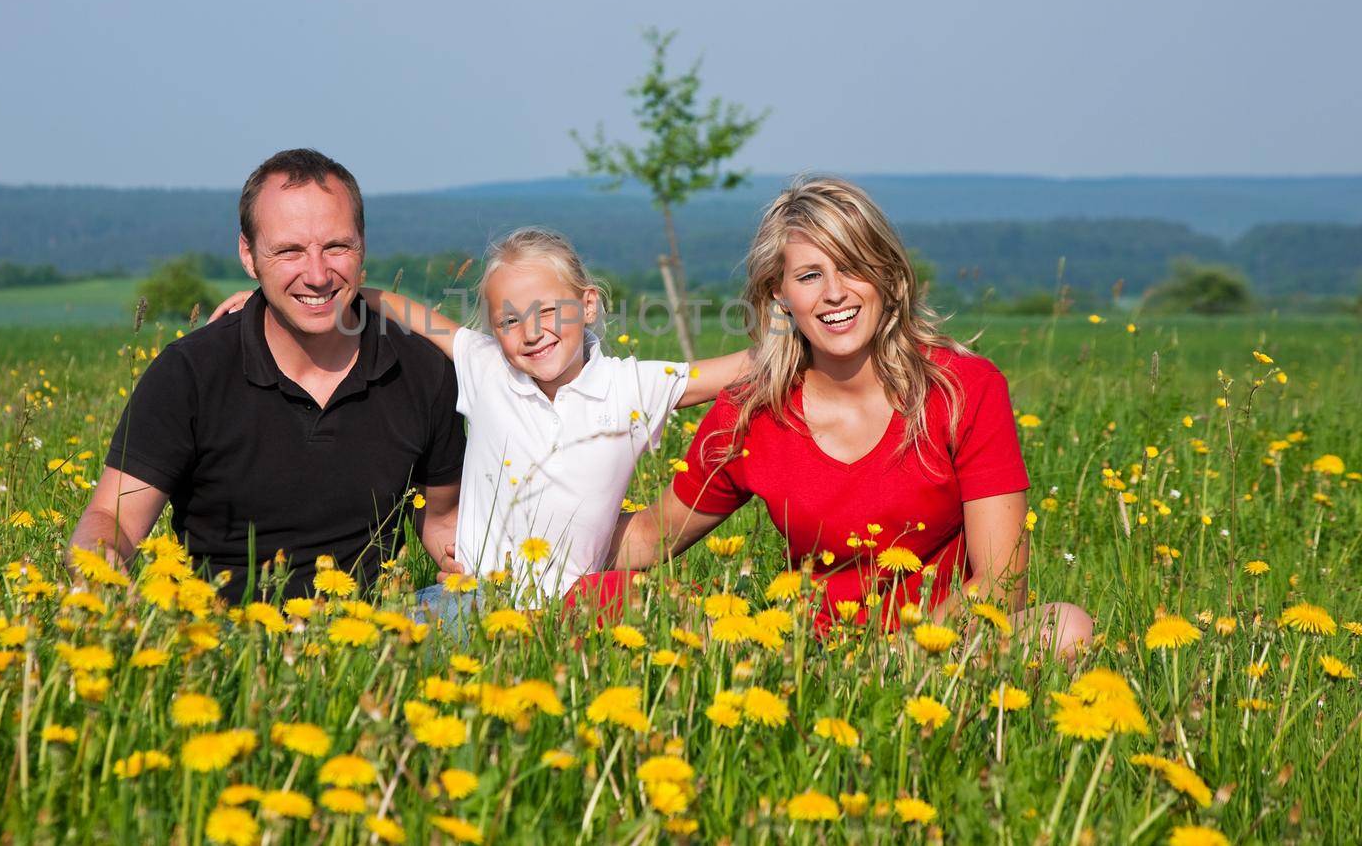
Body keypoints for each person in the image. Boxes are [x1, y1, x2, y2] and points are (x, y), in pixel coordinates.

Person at [607, 175, 1092, 656]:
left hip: (940, 650)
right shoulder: (750, 409)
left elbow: (1001, 583)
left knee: (1066, 627)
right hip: (804, 654)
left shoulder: (964, 388)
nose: (835, 292)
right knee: (617, 604)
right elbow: (653, 536)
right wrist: (542, 542)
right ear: (781, 296)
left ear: (888, 276)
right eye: (810, 275)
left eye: (853, 267)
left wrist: (888, 662)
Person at [215, 226, 749, 618]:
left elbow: (731, 370)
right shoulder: (488, 367)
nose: (531, 332)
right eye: (509, 321)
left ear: (587, 306)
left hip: (570, 607)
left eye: (547, 312)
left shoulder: (631, 385)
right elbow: (405, 310)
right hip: (469, 597)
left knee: (659, 614)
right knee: (361, 647)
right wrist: (275, 306)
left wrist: (807, 332)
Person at [65, 149, 465, 603]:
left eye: (337, 247)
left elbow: (441, 519)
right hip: (221, 631)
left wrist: (478, 565)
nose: (317, 275)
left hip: (375, 628)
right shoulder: (190, 373)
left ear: (363, 247)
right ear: (249, 255)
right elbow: (112, 517)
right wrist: (103, 581)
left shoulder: (424, 370)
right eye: (289, 251)